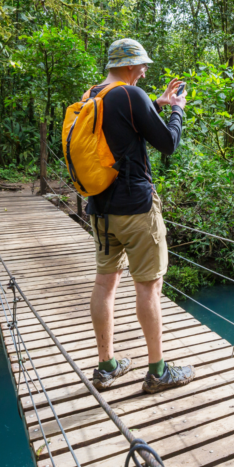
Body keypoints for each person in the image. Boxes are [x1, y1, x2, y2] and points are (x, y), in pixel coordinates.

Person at [83, 38, 194, 393]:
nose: (145, 71)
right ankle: (158, 372)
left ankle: (106, 367)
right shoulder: (131, 95)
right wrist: (176, 108)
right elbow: (168, 144)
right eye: (142, 66)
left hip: (100, 210)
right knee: (149, 286)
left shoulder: (94, 94)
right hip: (135, 208)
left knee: (105, 284)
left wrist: (155, 104)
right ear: (130, 66)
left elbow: (120, 133)